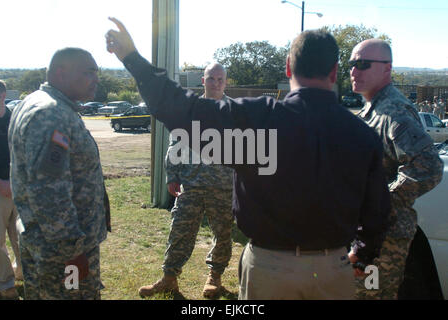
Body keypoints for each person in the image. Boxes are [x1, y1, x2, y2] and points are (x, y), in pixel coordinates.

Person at [106, 18, 391, 300]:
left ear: (289, 67)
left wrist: (132, 58)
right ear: (335, 71)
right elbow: (376, 210)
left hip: (269, 268)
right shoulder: (362, 135)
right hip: (332, 269)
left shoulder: (256, 122)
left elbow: (180, 109)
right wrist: (364, 255)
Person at [8, 48, 110, 300]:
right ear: (60, 73)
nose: (96, 79)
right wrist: (72, 252)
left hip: (46, 240)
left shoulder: (37, 103)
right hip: (62, 252)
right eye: (88, 73)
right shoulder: (51, 114)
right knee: (73, 295)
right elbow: (49, 191)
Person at [348, 39, 444, 299]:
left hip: (383, 242)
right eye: (352, 64)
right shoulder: (374, 108)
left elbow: (429, 167)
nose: (354, 71)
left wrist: (381, 200)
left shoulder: (393, 111)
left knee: (370, 295)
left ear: (387, 68)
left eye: (363, 64)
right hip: (370, 235)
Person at [138, 63, 234, 299]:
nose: (216, 83)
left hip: (223, 187)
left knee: (222, 234)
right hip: (190, 184)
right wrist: (172, 174)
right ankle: (169, 278)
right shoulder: (191, 110)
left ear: (226, 82)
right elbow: (176, 143)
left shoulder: (234, 111)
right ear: (203, 81)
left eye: (221, 79)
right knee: (179, 231)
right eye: (212, 78)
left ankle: (215, 278)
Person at [0, 80, 22, 300]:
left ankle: (21, 272)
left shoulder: (15, 118)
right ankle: (6, 285)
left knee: (21, 236)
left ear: (3, 95)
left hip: (19, 188)